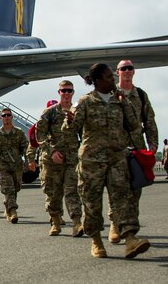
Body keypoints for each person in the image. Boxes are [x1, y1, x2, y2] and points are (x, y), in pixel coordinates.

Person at [63, 63, 149, 258]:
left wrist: (124, 102)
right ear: (98, 81)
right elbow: (71, 129)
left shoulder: (119, 100)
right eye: (110, 77)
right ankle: (96, 241)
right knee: (91, 203)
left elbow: (134, 124)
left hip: (117, 159)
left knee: (123, 199)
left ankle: (130, 240)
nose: (113, 80)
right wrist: (68, 121)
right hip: (91, 162)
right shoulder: (85, 102)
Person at [106, 60, 159, 244]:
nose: (127, 71)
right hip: (116, 148)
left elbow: (149, 121)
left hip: (136, 147)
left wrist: (152, 144)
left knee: (135, 188)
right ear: (117, 72)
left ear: (133, 72)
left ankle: (131, 230)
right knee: (116, 188)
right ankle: (114, 224)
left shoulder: (141, 95)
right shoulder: (110, 95)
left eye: (130, 68)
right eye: (123, 69)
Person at [29, 82, 83, 236]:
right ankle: (55, 221)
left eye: (69, 91)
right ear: (59, 92)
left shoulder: (78, 112)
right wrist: (51, 152)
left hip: (72, 158)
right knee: (53, 193)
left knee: (72, 190)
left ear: (73, 92)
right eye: (63, 91)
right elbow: (40, 135)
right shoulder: (50, 112)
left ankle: (76, 222)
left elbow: (85, 133)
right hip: (53, 160)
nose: (66, 93)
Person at [0, 108, 29, 223]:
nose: (6, 117)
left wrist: (29, 162)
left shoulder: (19, 132)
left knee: (16, 188)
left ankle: (8, 206)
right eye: (4, 115)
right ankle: (13, 211)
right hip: (3, 166)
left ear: (11, 117)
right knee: (9, 188)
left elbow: (25, 149)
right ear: (1, 118)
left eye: (8, 115)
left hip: (16, 165)